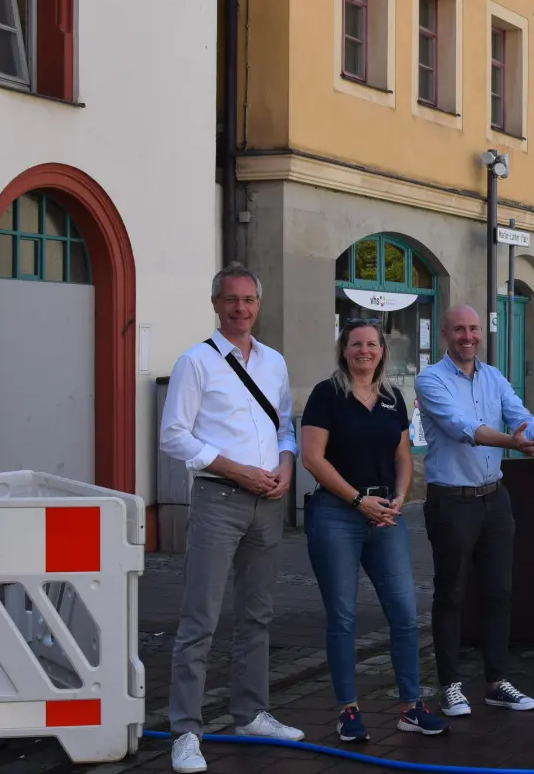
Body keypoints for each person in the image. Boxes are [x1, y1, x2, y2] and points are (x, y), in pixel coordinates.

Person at [416, 305, 534, 719]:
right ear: (445, 333)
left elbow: (523, 419)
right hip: (451, 500)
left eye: (474, 329)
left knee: (500, 592)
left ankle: (497, 681)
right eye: (460, 329)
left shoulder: (494, 377)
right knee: (452, 595)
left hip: (493, 499)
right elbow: (461, 427)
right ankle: (450, 685)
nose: (468, 336)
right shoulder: (431, 378)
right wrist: (513, 444)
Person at [158, 264, 304, 774]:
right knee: (201, 618)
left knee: (257, 614)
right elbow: (173, 435)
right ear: (215, 304)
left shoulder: (274, 362)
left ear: (258, 305)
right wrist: (237, 469)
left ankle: (250, 712)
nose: (240, 308)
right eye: (231, 300)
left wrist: (286, 465)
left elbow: (284, 423)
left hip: (270, 499)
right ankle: (185, 731)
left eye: (248, 300)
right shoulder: (195, 362)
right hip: (220, 499)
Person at [301, 320, 445, 741]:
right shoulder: (327, 395)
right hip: (336, 515)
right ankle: (347, 710)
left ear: (382, 351)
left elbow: (403, 454)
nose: (364, 350)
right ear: (343, 350)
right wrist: (356, 500)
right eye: (355, 343)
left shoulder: (392, 398)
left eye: (371, 344)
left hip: (386, 516)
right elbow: (313, 458)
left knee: (404, 614)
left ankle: (411, 706)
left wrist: (399, 498)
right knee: (342, 617)